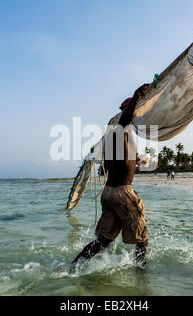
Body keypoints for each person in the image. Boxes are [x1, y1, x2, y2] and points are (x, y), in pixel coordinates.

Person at [71, 84, 150, 269]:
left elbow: (120, 162)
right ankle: (143, 278)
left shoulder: (119, 137)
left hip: (109, 193)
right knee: (142, 238)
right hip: (122, 193)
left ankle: (74, 267)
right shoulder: (120, 130)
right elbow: (125, 119)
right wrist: (137, 94)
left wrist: (139, 161)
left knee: (104, 241)